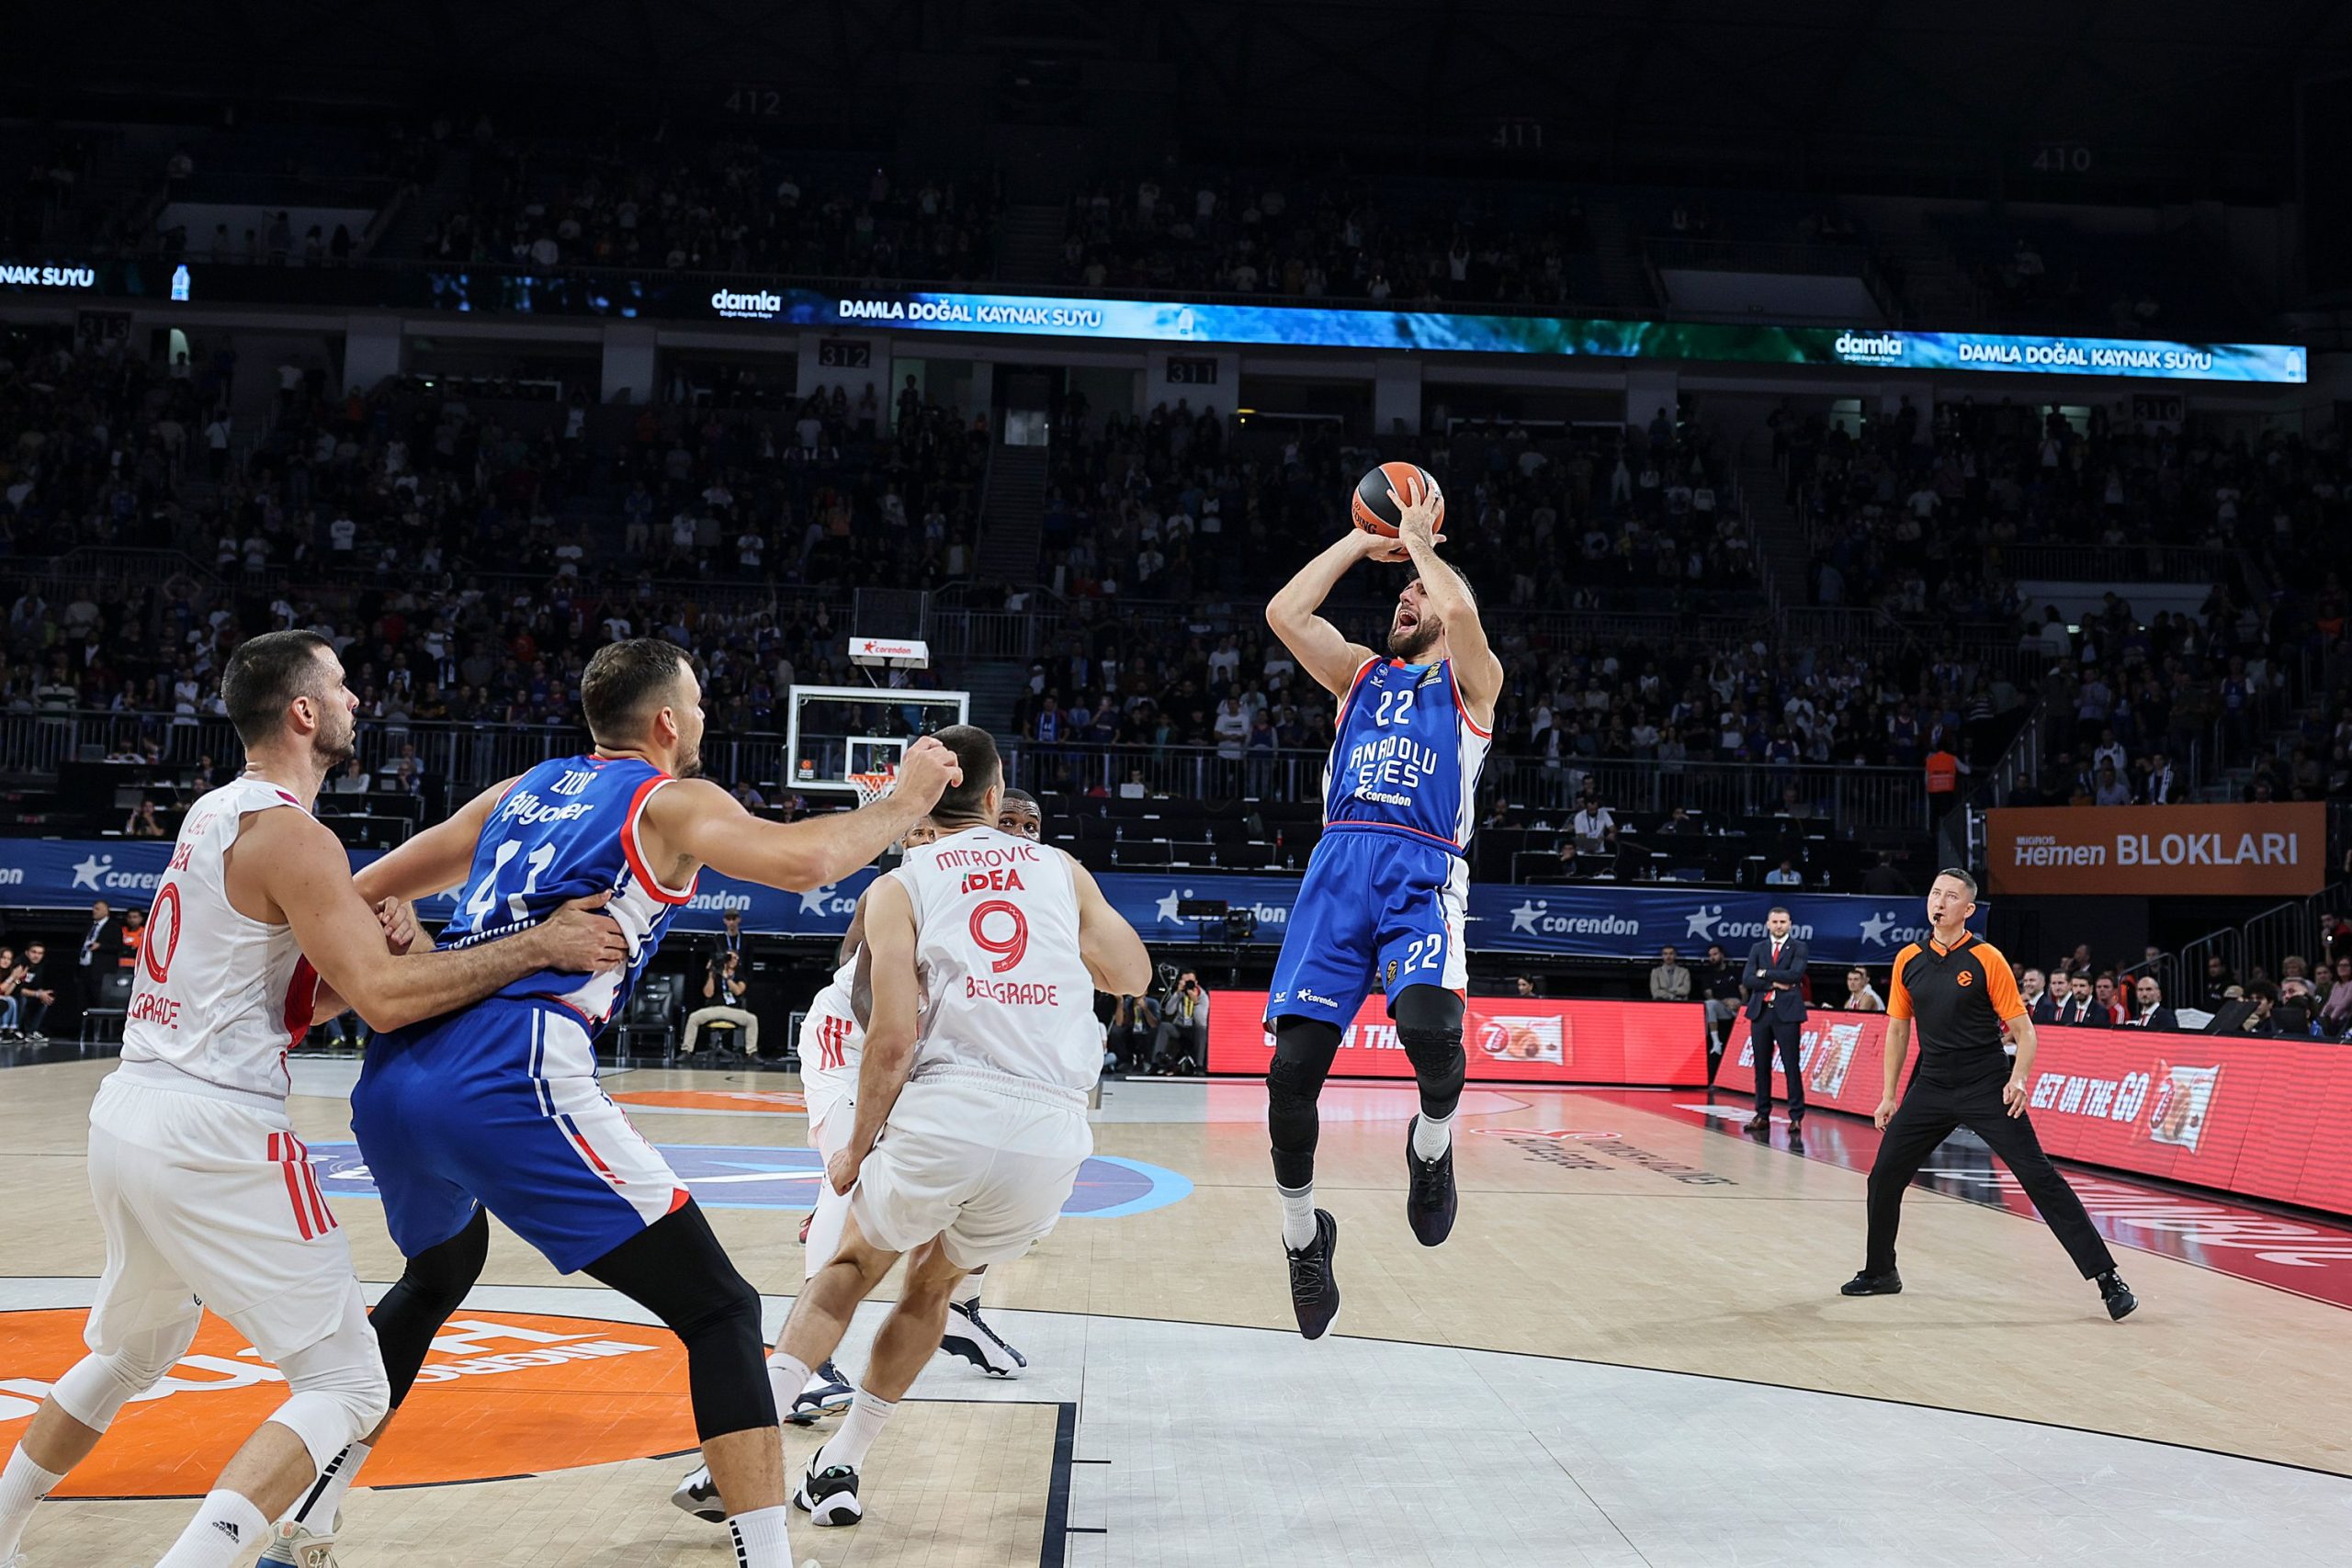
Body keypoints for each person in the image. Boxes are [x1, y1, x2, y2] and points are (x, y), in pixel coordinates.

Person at [267, 639, 961, 1568]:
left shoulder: (521, 789)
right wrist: (905, 800)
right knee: (719, 1309)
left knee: (437, 1274)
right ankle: (768, 1557)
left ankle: (307, 1520)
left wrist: (402, 930)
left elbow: (361, 892)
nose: (705, 719)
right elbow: (805, 862)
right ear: (667, 722)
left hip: (395, 1078)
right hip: (510, 1072)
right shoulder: (666, 799)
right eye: (700, 702)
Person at [0, 630, 630, 1568]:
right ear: (303, 713)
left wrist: (394, 947)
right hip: (215, 1130)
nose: (354, 701)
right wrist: (536, 946)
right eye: (340, 686)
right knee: (346, 1381)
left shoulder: (215, 814)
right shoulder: (296, 835)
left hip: (130, 1115)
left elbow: (298, 1000)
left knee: (128, 1356)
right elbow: (381, 1001)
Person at [719, 726, 1147, 1529]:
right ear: (994, 798)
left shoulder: (903, 880)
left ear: (923, 805)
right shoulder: (1062, 870)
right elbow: (1132, 975)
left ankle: (747, 1449)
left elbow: (888, 1035)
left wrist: (855, 1147)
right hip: (1053, 1128)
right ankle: (839, 1462)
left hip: (949, 1099)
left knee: (849, 1263)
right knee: (936, 1284)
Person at [1257, 479, 1500, 1338]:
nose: (1405, 601)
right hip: (1338, 869)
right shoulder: (1359, 677)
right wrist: (1368, 542)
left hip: (1421, 871)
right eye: (1399, 595)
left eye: (1416, 595)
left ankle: (1430, 1147)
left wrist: (1423, 545)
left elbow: (1465, 620)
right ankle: (1302, 1235)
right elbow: (1287, 613)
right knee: (1290, 1079)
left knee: (1435, 1035)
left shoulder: (1473, 686)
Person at [1841, 869, 2138, 1321]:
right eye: (1935, 892)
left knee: (2040, 1178)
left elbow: (2025, 1032)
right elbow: (1899, 1029)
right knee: (1883, 1176)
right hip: (1933, 1085)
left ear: (1968, 909)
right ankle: (1881, 1271)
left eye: (1950, 896)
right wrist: (1889, 1094)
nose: (1939, 901)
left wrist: (2017, 1078)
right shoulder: (1908, 960)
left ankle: (2107, 1279)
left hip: (1986, 1084)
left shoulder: (1987, 958)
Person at [1740, 908, 1809, 1134]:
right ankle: (1762, 1114)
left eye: (1783, 921)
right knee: (1761, 1066)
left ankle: (1796, 1116)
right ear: (1768, 923)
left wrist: (1764, 973)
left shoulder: (1799, 947)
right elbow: (1748, 978)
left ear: (1790, 923)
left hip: (1787, 1014)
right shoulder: (1757, 948)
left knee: (1791, 1065)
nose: (1779, 925)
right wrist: (1773, 983)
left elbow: (1795, 975)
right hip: (1761, 1013)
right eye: (1775, 921)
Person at [682, 950, 757, 1055]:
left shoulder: (740, 976)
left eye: (735, 958)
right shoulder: (714, 974)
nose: (733, 960)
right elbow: (708, 994)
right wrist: (711, 973)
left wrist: (727, 978)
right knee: (694, 1017)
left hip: (733, 1011)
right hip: (714, 1009)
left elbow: (738, 991)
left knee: (752, 1019)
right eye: (730, 957)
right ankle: (686, 1051)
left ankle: (752, 1053)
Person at [1155, 972, 1210, 1070]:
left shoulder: (1203, 997)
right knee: (1164, 1026)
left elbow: (1201, 1022)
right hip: (1180, 1028)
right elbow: (1168, 1011)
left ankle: (1199, 1066)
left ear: (1196, 983)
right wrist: (1176, 994)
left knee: (1201, 1030)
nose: (1188, 984)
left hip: (1194, 1029)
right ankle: (1155, 1062)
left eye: (1190, 981)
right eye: (1185, 981)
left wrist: (1196, 1003)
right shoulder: (1180, 994)